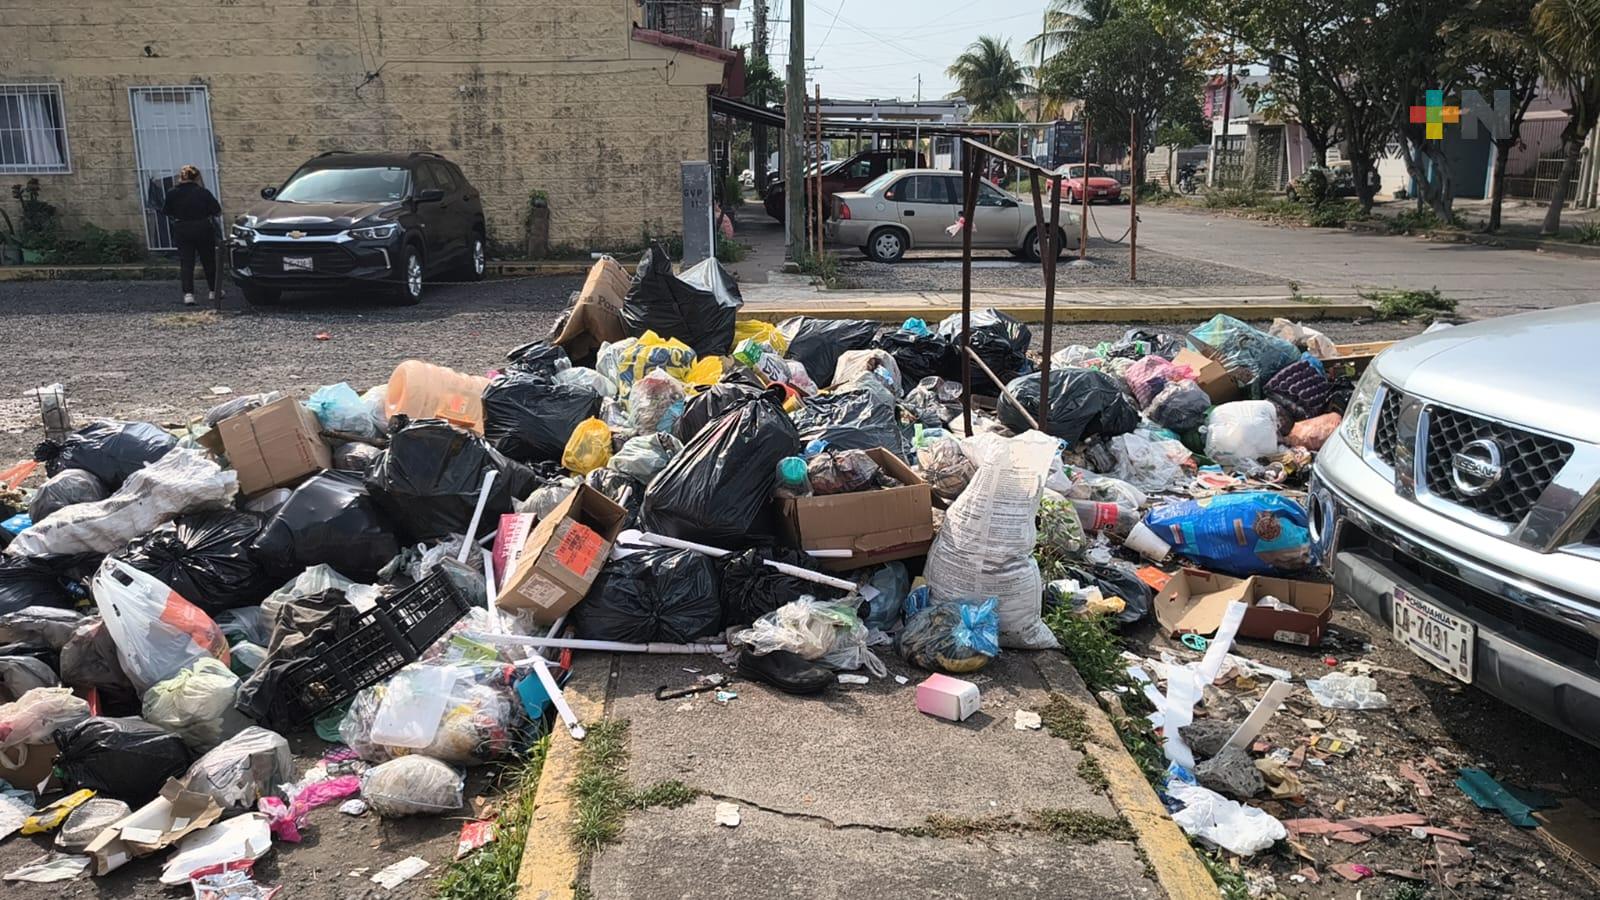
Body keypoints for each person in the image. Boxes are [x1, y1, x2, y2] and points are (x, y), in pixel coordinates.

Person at [161, 164, 222, 306]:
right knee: (208, 260)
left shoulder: (172, 192)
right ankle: (213, 291)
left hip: (182, 228)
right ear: (197, 177)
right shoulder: (203, 192)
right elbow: (217, 211)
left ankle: (188, 294)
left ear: (181, 177)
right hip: (203, 228)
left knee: (186, 262)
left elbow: (166, 211)